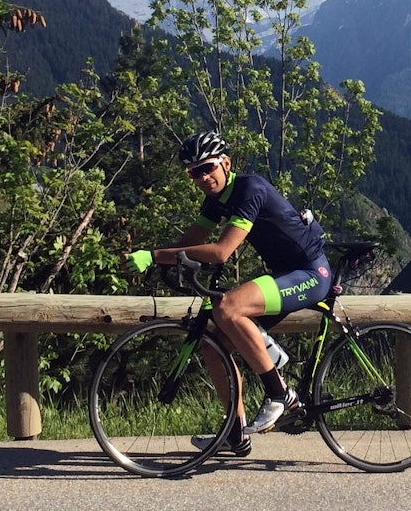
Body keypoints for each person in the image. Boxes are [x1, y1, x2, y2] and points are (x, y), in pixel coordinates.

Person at [124, 130, 332, 456]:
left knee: (230, 306)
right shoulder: (216, 200)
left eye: (208, 168)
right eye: (195, 172)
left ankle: (280, 394)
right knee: (214, 347)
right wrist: (153, 254)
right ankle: (234, 434)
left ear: (226, 163)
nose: (203, 177)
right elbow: (191, 238)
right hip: (285, 274)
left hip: (310, 272)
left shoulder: (251, 188)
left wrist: (155, 256)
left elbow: (222, 251)